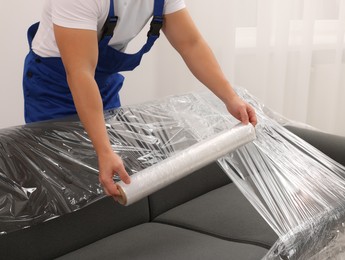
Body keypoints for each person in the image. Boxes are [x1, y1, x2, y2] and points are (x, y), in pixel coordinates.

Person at [23, 0, 257, 198]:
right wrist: (104, 150)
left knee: (108, 175)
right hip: (53, 84)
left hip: (101, 82)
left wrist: (230, 98)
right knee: (59, 176)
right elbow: (79, 72)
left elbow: (191, 44)